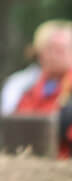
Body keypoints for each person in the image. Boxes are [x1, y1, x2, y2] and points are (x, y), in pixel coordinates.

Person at [14, 20, 72, 157]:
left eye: (62, 49)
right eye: (50, 49)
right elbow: (18, 126)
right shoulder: (30, 90)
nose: (55, 55)